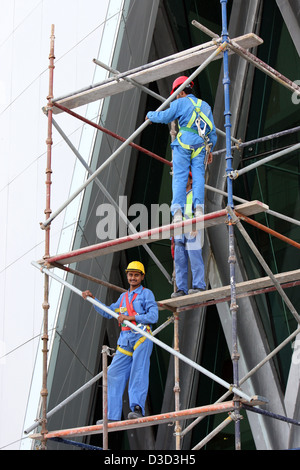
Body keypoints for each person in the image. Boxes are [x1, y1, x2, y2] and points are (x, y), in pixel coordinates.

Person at [82, 261, 158, 422]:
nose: (133, 277)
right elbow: (110, 312)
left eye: (136, 275)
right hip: (125, 341)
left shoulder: (146, 294)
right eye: (130, 274)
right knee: (113, 373)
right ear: (127, 275)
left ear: (142, 277)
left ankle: (137, 408)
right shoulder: (123, 297)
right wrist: (93, 300)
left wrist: (131, 318)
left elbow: (153, 316)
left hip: (141, 336)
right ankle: (112, 416)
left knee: (139, 371)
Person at [146, 76, 217, 223]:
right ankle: (199, 210)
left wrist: (150, 115)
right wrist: (210, 150)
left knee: (180, 176)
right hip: (201, 145)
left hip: (184, 142)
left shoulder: (180, 102)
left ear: (180, 92)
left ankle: (178, 213)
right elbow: (213, 133)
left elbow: (166, 117)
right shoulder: (205, 106)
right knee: (198, 177)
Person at [171, 174, 206, 298]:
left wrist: (196, 225)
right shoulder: (177, 196)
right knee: (180, 261)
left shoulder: (195, 194)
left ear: (191, 181)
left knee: (195, 257)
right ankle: (181, 289)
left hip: (192, 229)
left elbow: (199, 210)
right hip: (179, 232)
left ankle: (199, 285)